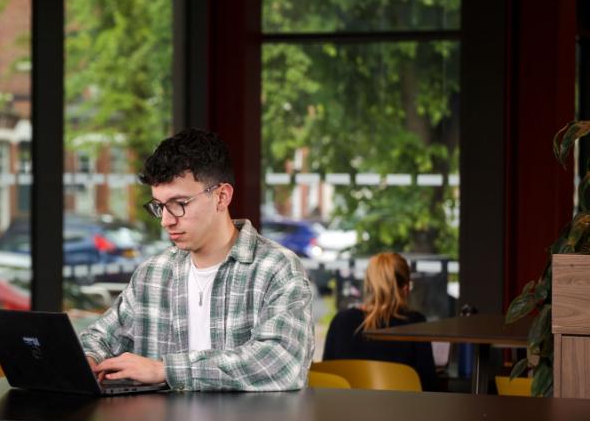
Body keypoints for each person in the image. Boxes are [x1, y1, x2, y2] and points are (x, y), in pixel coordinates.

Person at [79, 128, 315, 391]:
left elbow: (280, 363)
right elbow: (100, 338)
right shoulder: (153, 274)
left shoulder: (276, 268)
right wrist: (88, 359)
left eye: (180, 203)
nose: (167, 220)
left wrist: (165, 370)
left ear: (221, 196)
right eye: (159, 206)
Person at [322, 252, 438, 391]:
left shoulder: (340, 321)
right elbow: (428, 385)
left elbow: (326, 378)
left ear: (369, 285)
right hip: (401, 411)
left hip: (345, 410)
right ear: (406, 289)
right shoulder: (415, 323)